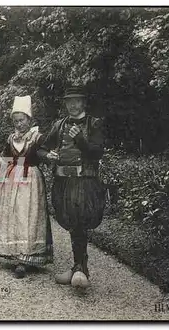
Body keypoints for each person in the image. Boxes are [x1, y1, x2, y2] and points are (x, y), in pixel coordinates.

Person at [38, 86, 105, 288]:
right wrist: (48, 155)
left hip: (83, 181)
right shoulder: (59, 125)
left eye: (77, 101)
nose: (73, 105)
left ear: (83, 102)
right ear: (65, 103)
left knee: (79, 222)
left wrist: (80, 140)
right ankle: (78, 267)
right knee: (69, 221)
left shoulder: (94, 124)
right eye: (69, 101)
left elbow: (97, 152)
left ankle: (80, 268)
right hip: (62, 181)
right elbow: (41, 148)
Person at [0, 96, 53, 278]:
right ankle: (18, 253)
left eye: (22, 120)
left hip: (31, 179)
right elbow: (5, 157)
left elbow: (44, 153)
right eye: (16, 120)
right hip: (13, 178)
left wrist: (49, 156)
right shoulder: (11, 138)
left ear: (29, 119)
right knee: (15, 213)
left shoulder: (37, 137)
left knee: (29, 214)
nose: (19, 124)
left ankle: (29, 255)